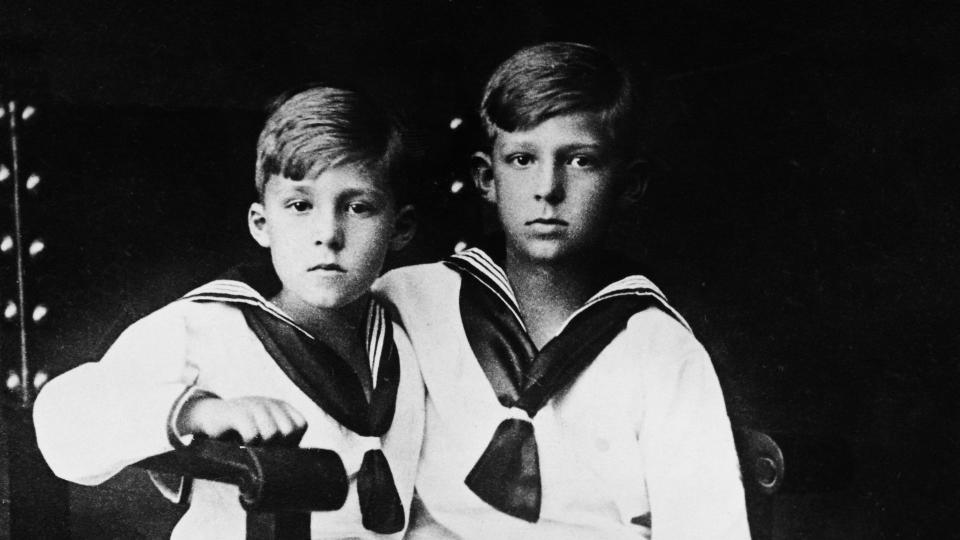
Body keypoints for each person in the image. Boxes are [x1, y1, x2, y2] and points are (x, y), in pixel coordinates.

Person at [375, 42, 750, 539]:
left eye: (579, 161)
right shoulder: (409, 300)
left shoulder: (660, 350)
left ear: (630, 183)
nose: (547, 188)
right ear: (486, 178)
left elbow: (706, 528)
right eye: (522, 159)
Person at [33, 85, 424, 539]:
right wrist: (196, 412)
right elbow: (62, 422)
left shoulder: (406, 334)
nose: (328, 234)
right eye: (300, 206)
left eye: (358, 207)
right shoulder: (207, 328)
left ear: (400, 228)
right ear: (262, 224)